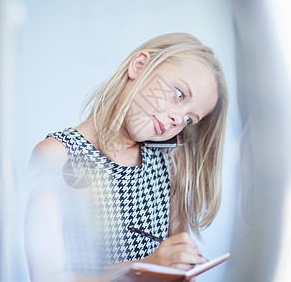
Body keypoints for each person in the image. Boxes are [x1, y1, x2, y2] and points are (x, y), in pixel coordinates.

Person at [25, 32, 229, 281]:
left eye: (189, 119)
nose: (179, 119)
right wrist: (145, 267)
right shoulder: (56, 155)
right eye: (179, 94)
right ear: (139, 65)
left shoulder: (169, 164)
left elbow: (179, 266)